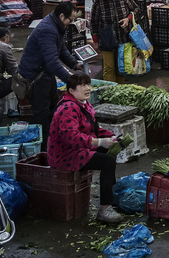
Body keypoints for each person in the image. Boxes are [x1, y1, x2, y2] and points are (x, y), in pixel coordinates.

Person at [47, 71, 123, 224]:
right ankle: (104, 209)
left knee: (110, 152)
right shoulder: (67, 108)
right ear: (71, 91)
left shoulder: (84, 104)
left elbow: (94, 128)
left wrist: (112, 137)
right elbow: (71, 137)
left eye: (88, 84)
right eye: (82, 86)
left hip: (79, 149)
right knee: (106, 161)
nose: (87, 88)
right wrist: (99, 142)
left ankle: (112, 197)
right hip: (65, 154)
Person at [18, 1, 83, 147]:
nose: (71, 23)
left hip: (45, 74)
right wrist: (70, 80)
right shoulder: (48, 30)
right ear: (61, 16)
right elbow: (53, 62)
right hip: (36, 76)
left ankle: (54, 143)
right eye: (70, 20)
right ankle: (42, 150)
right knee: (42, 114)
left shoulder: (56, 25)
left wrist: (74, 64)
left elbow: (61, 49)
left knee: (54, 108)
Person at [90, 0, 138, 82]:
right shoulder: (98, 1)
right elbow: (93, 22)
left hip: (123, 37)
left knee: (121, 67)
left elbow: (136, 9)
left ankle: (120, 91)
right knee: (108, 67)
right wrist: (95, 41)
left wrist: (128, 19)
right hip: (107, 38)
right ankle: (109, 91)